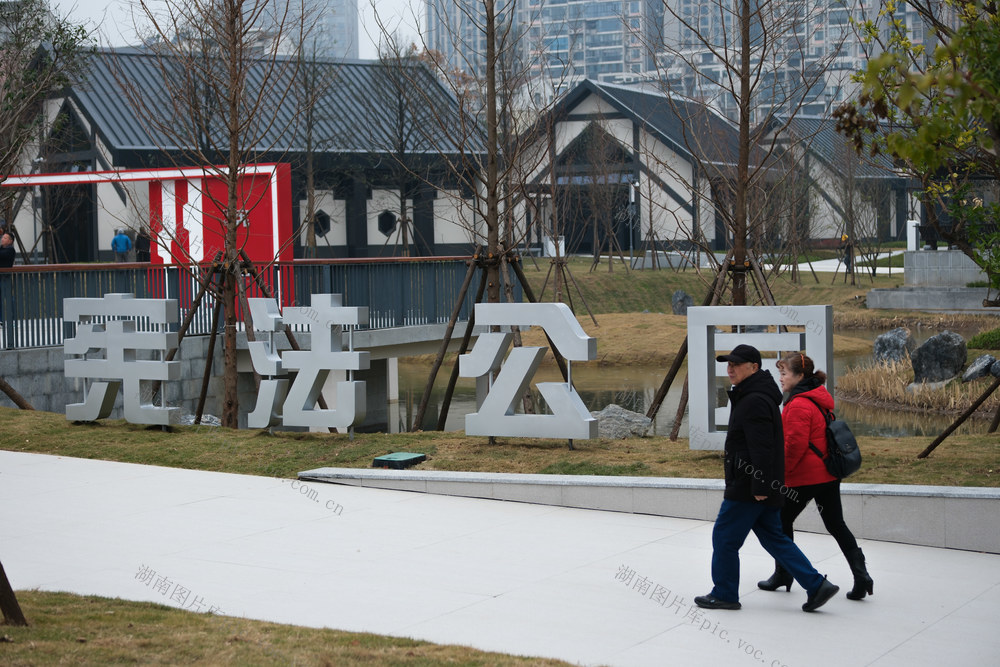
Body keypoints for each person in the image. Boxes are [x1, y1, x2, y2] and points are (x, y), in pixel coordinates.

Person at [694, 344, 839, 612]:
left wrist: (760, 484)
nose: (730, 368)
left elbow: (762, 448)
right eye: (728, 364)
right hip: (759, 484)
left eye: (736, 364)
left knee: (724, 538)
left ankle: (724, 593)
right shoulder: (753, 394)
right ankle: (817, 585)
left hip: (750, 485)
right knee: (775, 538)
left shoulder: (754, 400)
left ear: (754, 367)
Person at [757, 352, 874, 600]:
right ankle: (861, 575)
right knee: (836, 524)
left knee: (778, 523)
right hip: (828, 475)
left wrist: (779, 476)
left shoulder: (799, 403)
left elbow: (794, 446)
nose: (780, 378)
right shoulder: (818, 397)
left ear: (800, 376)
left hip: (804, 478)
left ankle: (784, 573)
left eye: (784, 373)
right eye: (780, 373)